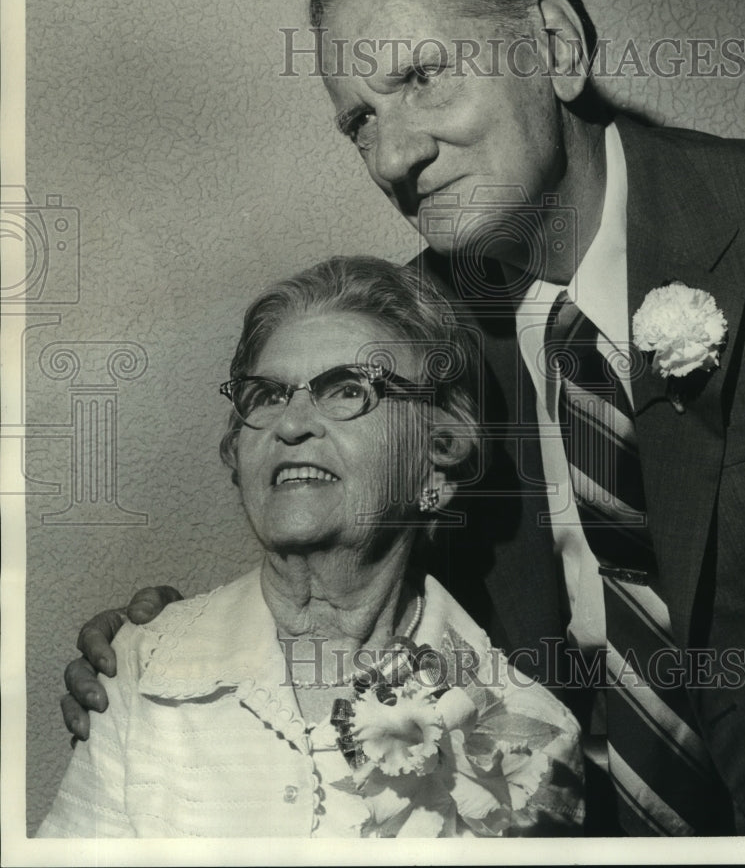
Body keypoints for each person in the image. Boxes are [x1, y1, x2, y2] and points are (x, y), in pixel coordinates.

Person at [58, 0, 745, 836]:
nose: (393, 158)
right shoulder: (403, 346)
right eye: (360, 120)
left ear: (554, 44)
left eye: (421, 77)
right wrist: (161, 649)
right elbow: (346, 570)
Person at [38, 256, 584, 838]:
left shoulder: (522, 732)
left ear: (436, 464)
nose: (291, 424)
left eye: (348, 390)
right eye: (267, 395)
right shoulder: (144, 663)